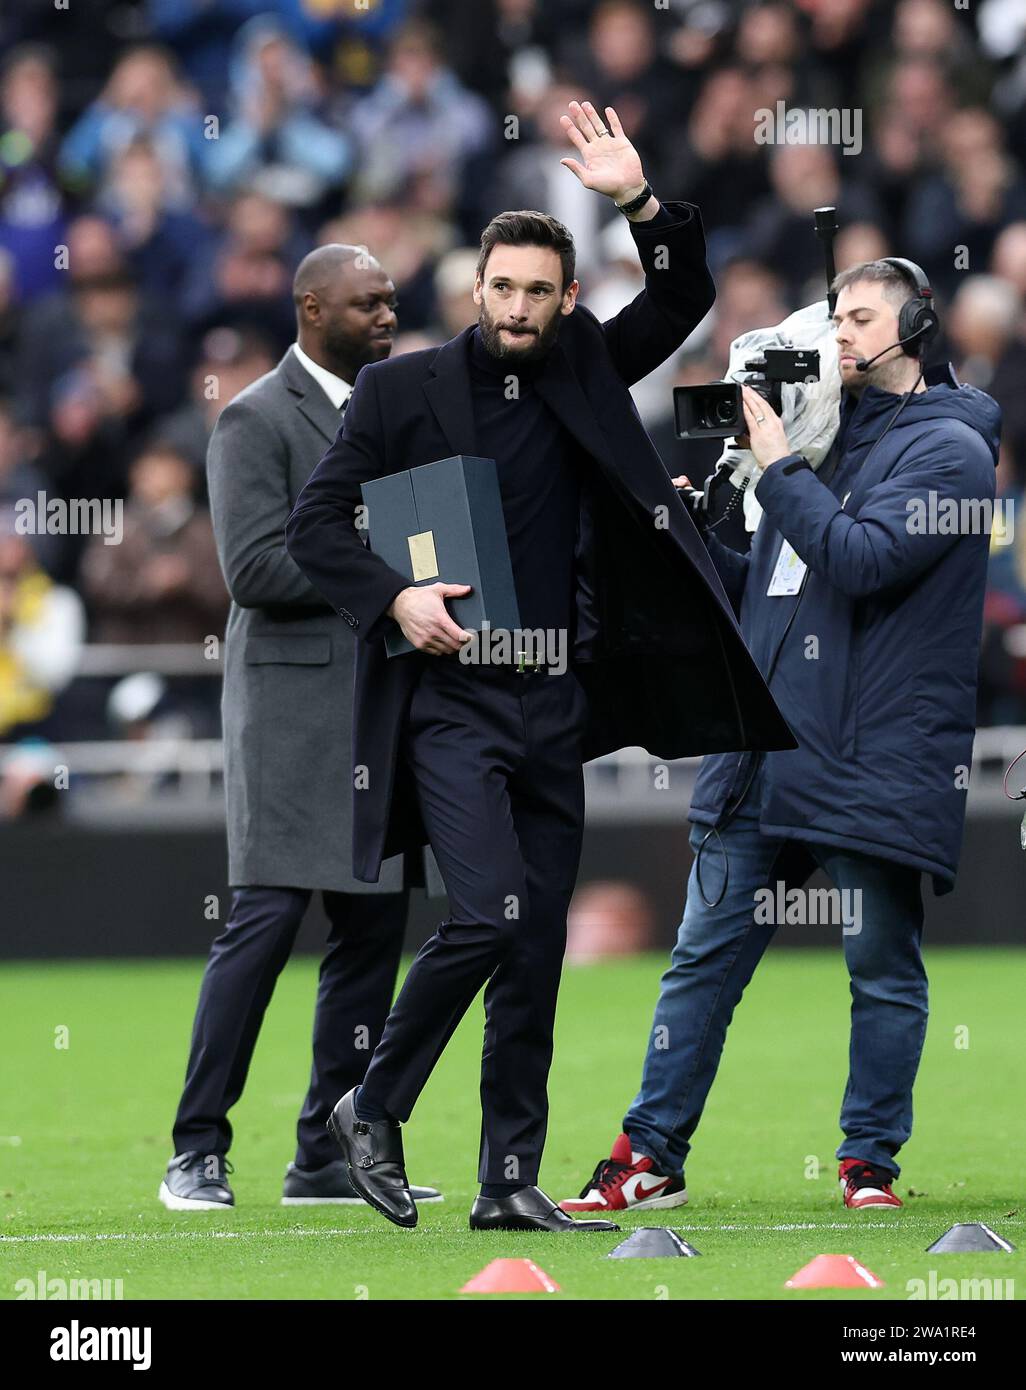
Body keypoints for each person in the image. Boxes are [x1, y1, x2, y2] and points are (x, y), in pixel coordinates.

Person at [285, 100, 792, 1233]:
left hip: (556, 702)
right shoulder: (397, 391)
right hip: (452, 703)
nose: (517, 308)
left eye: (538, 291)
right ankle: (373, 1102)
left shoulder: (585, 370)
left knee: (536, 944)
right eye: (500, 287)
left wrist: (640, 203)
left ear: (568, 300)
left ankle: (508, 1179)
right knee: (490, 911)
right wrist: (397, 597)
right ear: (476, 287)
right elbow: (316, 529)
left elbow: (682, 296)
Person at [562, 257, 1000, 1217]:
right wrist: (677, 526)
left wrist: (780, 467)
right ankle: (649, 1155)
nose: (837, 338)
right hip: (765, 744)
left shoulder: (954, 452)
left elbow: (859, 560)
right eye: (834, 319)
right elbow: (766, 579)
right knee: (700, 963)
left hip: (869, 752)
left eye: (860, 320)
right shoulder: (822, 438)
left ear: (916, 328)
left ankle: (867, 1165)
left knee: (879, 966)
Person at [160, 243, 443, 1211]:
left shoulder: (397, 410)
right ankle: (195, 1147)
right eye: (367, 304)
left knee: (372, 925)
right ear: (311, 308)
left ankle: (325, 1151)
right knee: (266, 920)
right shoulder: (254, 417)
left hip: (382, 702)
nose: (386, 318)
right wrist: (388, 573)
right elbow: (254, 571)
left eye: (393, 302)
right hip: (289, 711)